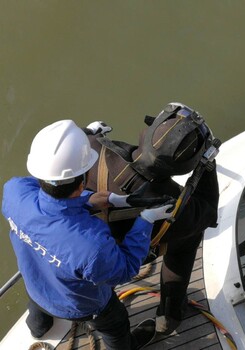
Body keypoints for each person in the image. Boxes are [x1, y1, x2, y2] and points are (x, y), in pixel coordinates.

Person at [1, 120, 175, 350]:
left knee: (38, 306)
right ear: (82, 183)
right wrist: (146, 220)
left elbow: (47, 200)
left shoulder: (14, 191)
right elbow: (126, 268)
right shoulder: (93, 246)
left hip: (36, 286)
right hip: (82, 307)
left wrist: (88, 200)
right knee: (115, 325)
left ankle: (38, 328)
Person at [84, 102, 220, 335]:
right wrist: (207, 164)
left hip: (87, 248)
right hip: (132, 252)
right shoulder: (175, 204)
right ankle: (170, 315)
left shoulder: (91, 147)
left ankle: (41, 321)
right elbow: (208, 212)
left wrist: (90, 133)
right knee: (188, 237)